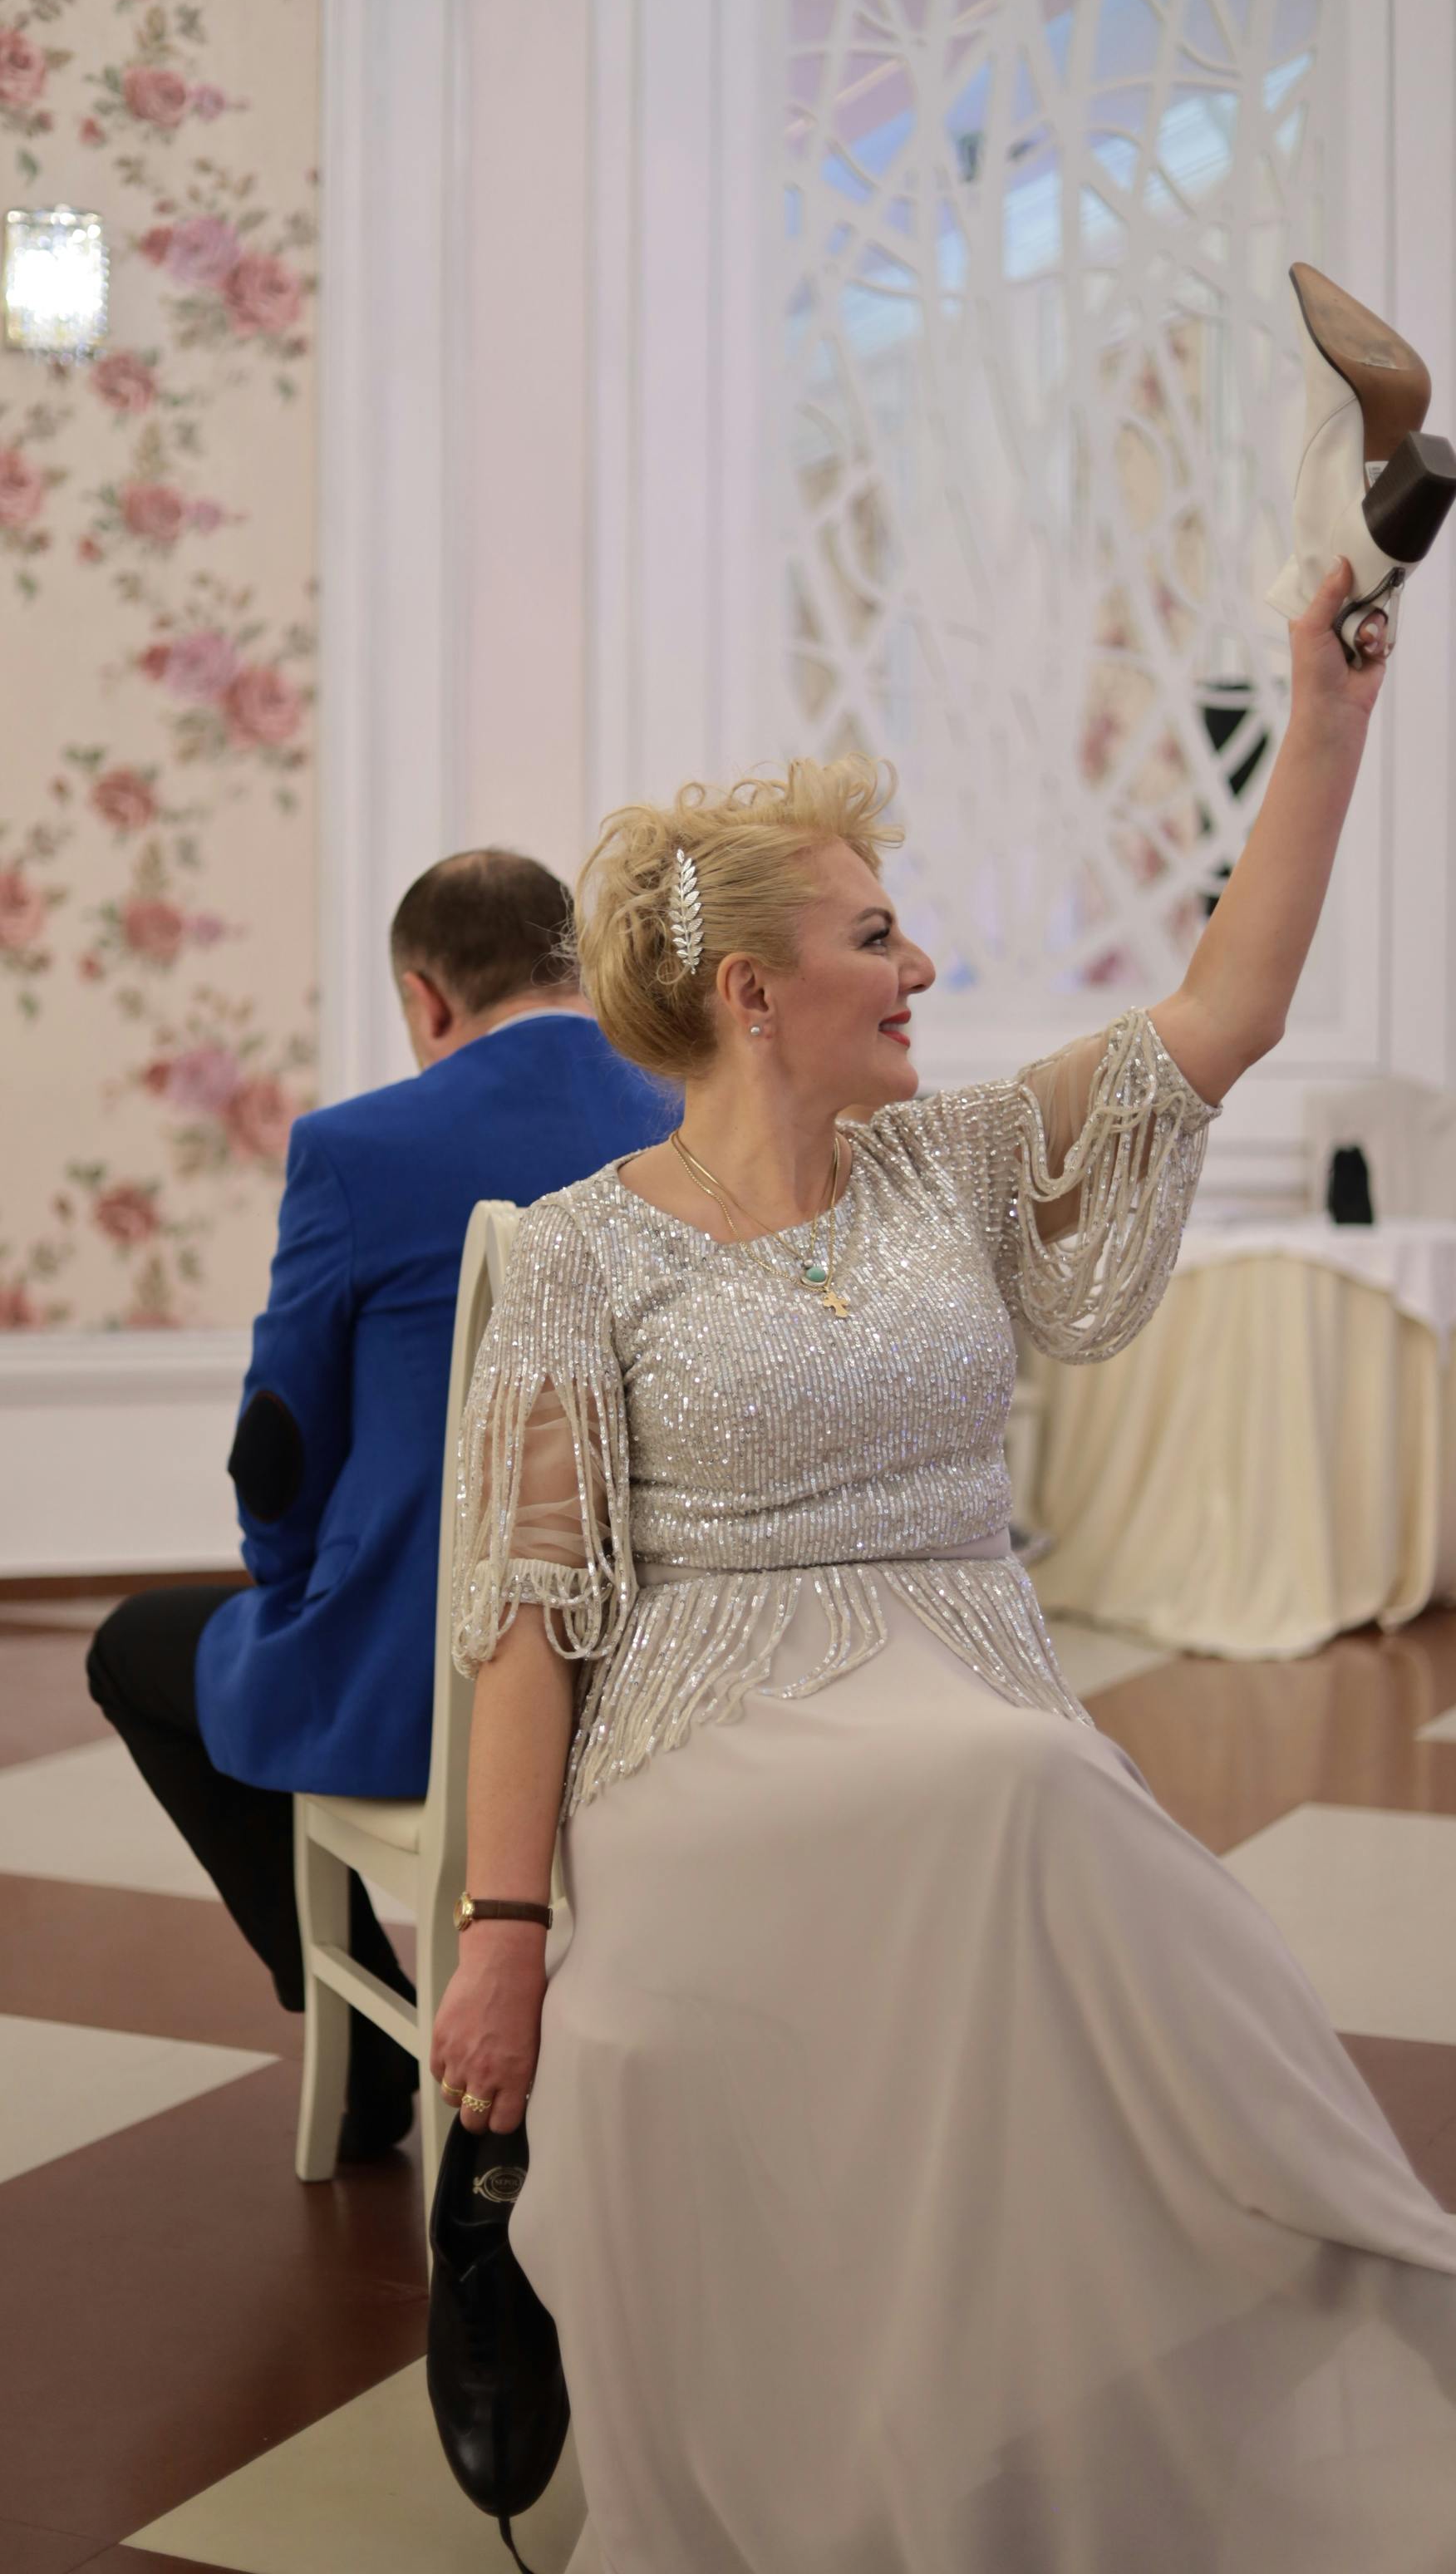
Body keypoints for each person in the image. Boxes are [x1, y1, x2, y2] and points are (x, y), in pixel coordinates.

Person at [431, 568, 1456, 2574]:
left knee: (1025, 1789)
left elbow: (1224, 1011)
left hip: (969, 1691)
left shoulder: (962, 1160)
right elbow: (531, 1619)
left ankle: (1198, 2328)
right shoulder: (573, 1248)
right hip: (707, 1746)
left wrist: (1324, 725)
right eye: (877, 934)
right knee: (990, 1815)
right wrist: (498, 1929)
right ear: (749, 989)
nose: (926, 965)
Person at [87, 849, 671, 2160]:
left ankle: (357, 2043)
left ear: (426, 998)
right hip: (661, 1668)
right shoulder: (691, 1113)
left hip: (434, 1682)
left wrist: (285, 1581)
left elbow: (281, 1447)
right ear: (575, 964)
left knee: (137, 1650)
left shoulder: (357, 1149)